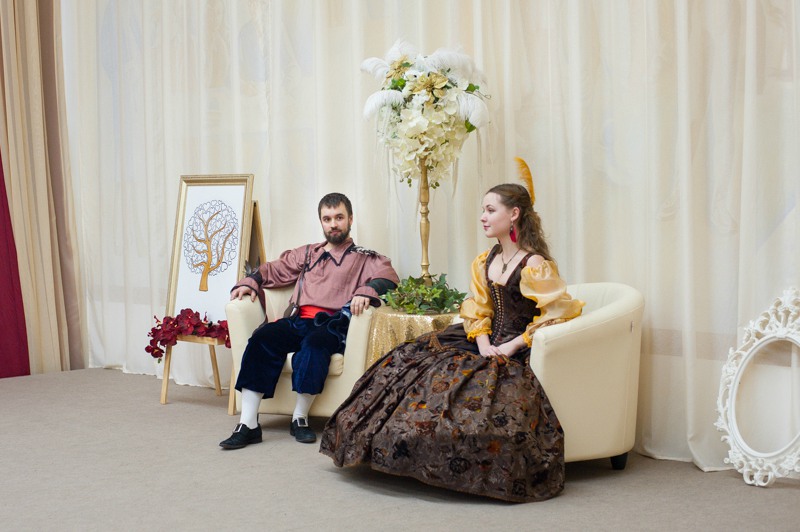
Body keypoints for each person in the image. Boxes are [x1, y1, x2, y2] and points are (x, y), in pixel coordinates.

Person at [319, 178, 585, 502]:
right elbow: (478, 309)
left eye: (491, 210)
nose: (483, 217)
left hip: (513, 348)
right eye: (483, 210)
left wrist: (513, 345)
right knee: (407, 360)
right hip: (481, 340)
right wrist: (483, 342)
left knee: (476, 402)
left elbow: (557, 312)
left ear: (514, 214)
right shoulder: (486, 260)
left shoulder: (535, 265)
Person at [220, 192, 399, 449]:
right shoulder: (307, 254)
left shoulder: (364, 258)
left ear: (350, 219)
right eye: (327, 219)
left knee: (314, 347)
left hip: (331, 325)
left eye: (339, 217)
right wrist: (251, 280)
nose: (333, 224)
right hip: (298, 320)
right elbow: (274, 269)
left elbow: (388, 277)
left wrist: (367, 290)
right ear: (321, 222)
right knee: (262, 338)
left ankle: (300, 418)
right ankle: (248, 424)